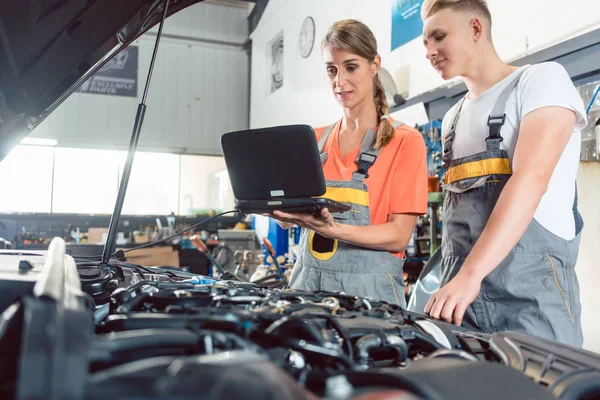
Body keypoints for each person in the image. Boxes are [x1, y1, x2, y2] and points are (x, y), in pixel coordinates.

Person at [421, 0, 587, 346]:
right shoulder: (451, 119)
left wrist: (470, 275)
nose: (429, 52)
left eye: (439, 37)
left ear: (476, 29)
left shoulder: (540, 81)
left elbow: (531, 180)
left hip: (530, 306)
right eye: (425, 43)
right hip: (460, 305)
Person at [269, 19, 428, 307]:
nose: (339, 82)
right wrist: (278, 210)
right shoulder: (313, 141)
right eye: (332, 69)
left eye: (350, 67)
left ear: (375, 64)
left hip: (371, 301)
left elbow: (398, 235)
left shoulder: (404, 141)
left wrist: (334, 230)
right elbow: (292, 221)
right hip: (306, 293)